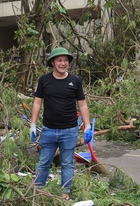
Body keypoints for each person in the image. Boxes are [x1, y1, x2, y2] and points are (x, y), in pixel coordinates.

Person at [30, 47, 92, 201]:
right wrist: (32, 123)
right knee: (44, 162)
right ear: (53, 62)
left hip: (69, 131)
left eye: (65, 60)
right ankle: (38, 190)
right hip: (48, 130)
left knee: (67, 163)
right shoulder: (44, 80)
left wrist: (88, 126)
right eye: (59, 60)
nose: (63, 63)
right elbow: (37, 102)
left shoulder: (75, 81)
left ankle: (65, 193)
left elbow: (82, 104)